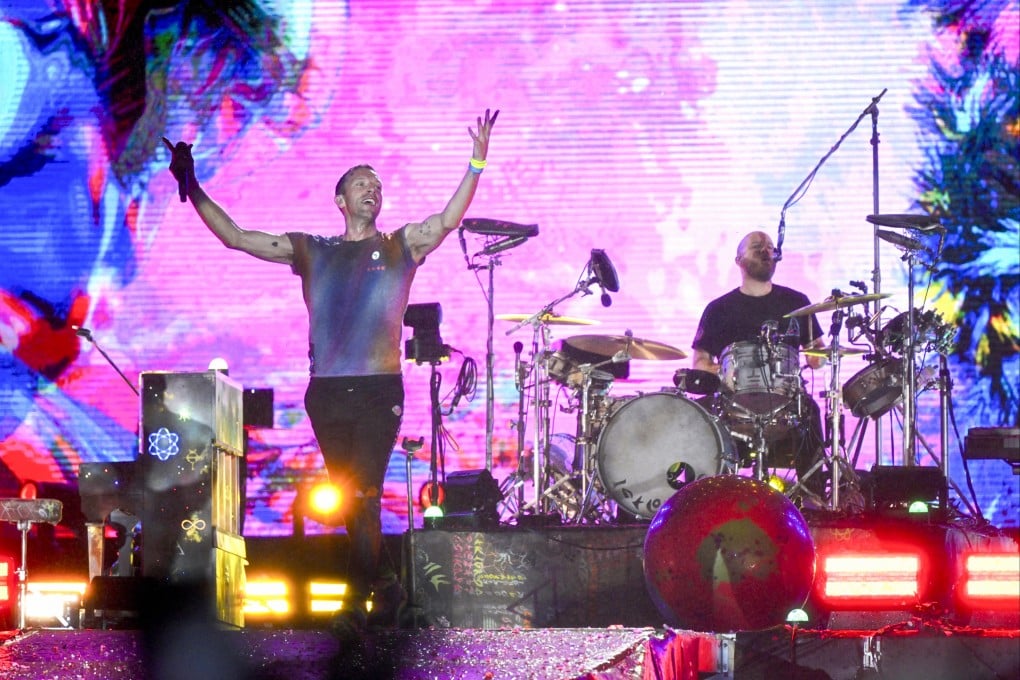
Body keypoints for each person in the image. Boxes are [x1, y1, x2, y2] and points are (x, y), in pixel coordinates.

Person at [163, 109, 499, 633]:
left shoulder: (399, 246)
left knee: (363, 494)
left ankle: (352, 603)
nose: (373, 190)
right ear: (340, 201)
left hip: (377, 391)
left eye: (378, 186)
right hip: (326, 393)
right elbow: (236, 237)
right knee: (351, 500)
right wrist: (193, 184)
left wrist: (476, 162)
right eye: (362, 184)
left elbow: (447, 220)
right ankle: (389, 590)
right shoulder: (310, 249)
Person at [691, 230, 828, 498]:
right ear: (738, 259)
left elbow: (818, 355)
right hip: (731, 402)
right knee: (695, 418)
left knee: (809, 411)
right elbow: (699, 362)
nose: (766, 250)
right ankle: (701, 500)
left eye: (770, 247)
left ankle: (814, 502)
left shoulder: (796, 302)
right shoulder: (719, 308)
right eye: (757, 247)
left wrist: (817, 355)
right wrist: (724, 372)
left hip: (786, 400)